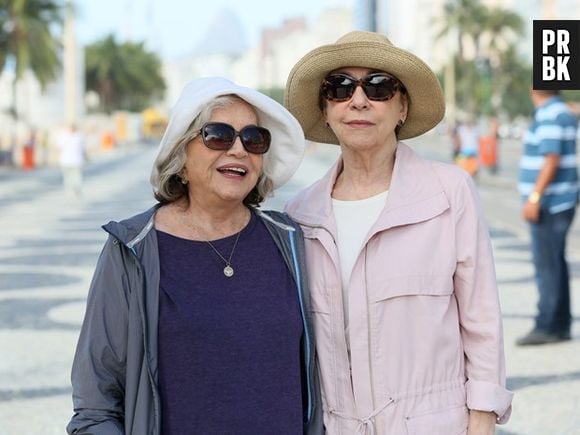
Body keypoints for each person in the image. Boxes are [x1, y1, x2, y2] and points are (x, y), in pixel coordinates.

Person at [284, 31, 513, 434]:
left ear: (402, 106)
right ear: (325, 108)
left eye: (378, 86)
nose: (358, 101)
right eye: (339, 88)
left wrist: (482, 421)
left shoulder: (449, 191)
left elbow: (482, 320)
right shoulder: (299, 215)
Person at [67, 77, 323, 435]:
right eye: (218, 135)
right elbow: (96, 406)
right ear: (181, 156)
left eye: (253, 139)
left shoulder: (294, 241)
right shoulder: (133, 249)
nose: (238, 150)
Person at [516, 89, 578, 346]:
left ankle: (548, 324)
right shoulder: (563, 112)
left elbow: (551, 159)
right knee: (556, 263)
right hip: (561, 199)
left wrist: (535, 197)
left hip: (549, 203)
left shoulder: (550, 114)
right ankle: (561, 323)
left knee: (547, 265)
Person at [57, 124, 86, 197]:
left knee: (69, 176)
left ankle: (71, 188)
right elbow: (83, 148)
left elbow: (59, 146)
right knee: (75, 176)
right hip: (74, 160)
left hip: (68, 160)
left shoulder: (65, 136)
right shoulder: (79, 137)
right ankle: (75, 188)